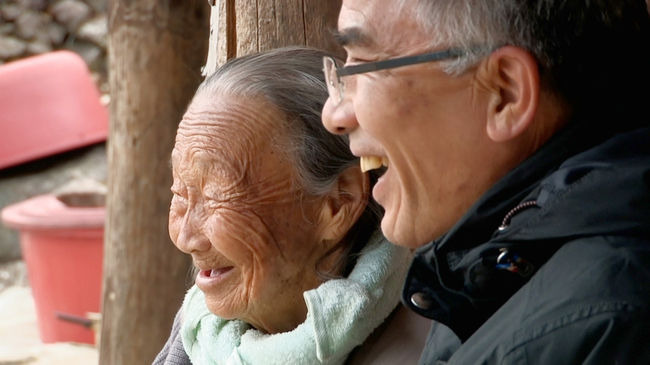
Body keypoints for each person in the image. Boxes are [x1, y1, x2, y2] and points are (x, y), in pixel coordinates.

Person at [321, 0, 650, 363]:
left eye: (365, 65)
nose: (333, 115)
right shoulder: (489, 264)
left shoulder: (605, 323)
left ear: (505, 92)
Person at [153, 47, 429, 365]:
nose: (185, 237)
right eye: (181, 193)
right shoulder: (198, 335)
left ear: (339, 203)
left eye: (217, 195)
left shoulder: (434, 343)